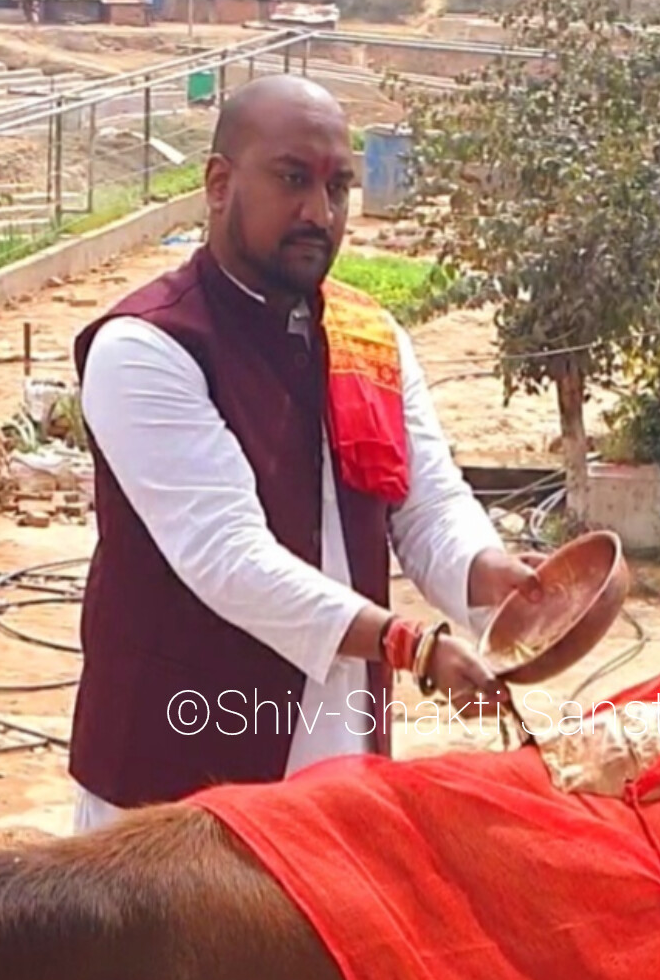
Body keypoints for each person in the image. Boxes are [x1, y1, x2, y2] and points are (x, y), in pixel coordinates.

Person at [67, 74, 542, 831]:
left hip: (339, 747)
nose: (319, 213)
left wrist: (490, 577)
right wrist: (408, 644)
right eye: (292, 180)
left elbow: (426, 503)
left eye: (337, 186)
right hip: (176, 774)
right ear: (219, 184)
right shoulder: (146, 346)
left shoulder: (367, 337)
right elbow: (227, 556)